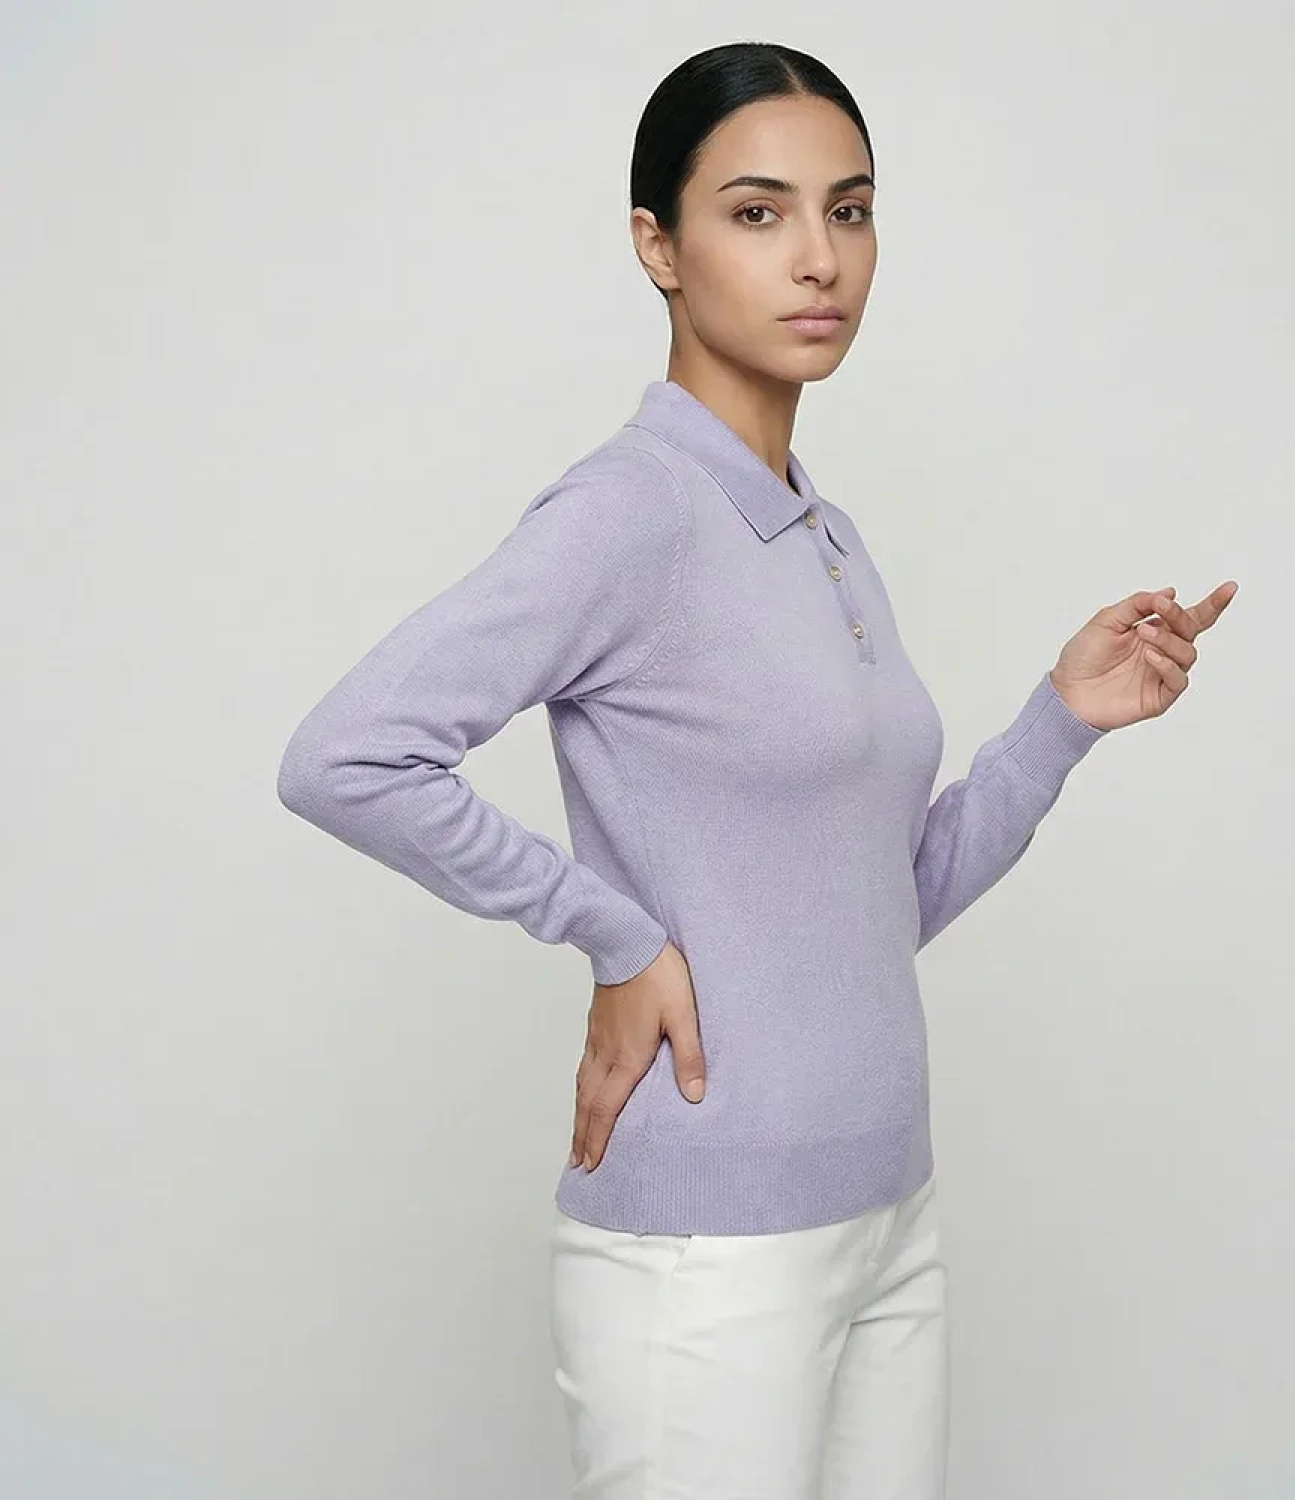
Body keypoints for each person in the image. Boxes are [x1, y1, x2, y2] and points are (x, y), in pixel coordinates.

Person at [276, 38, 1237, 1500]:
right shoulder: (632, 512)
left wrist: (1062, 720)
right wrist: (614, 933)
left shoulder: (824, 534)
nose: (818, 258)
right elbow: (346, 755)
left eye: (849, 211)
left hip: (887, 1213)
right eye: (756, 212)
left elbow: (880, 906)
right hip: (707, 1253)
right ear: (657, 247)